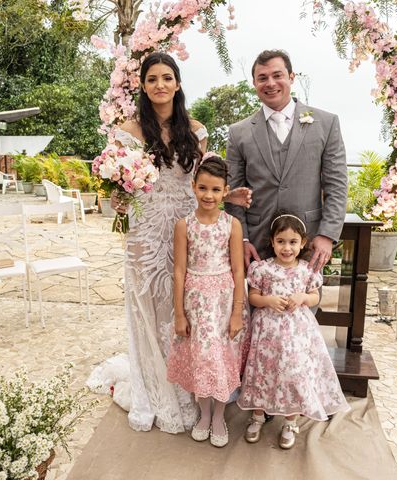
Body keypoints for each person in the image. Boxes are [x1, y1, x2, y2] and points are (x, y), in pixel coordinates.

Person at [110, 52, 251, 434]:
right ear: (143, 85)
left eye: (167, 77)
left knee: (187, 308)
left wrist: (228, 197)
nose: (160, 85)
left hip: (190, 227)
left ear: (178, 83)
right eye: (152, 78)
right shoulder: (129, 130)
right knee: (150, 310)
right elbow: (119, 186)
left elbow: (205, 180)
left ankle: (195, 387)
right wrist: (115, 195)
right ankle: (155, 392)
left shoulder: (197, 129)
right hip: (147, 230)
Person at [225, 49, 348, 272]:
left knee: (305, 305)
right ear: (254, 83)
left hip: (308, 241)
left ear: (291, 77)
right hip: (257, 242)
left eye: (277, 75)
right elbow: (234, 193)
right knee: (257, 305)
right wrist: (241, 239)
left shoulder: (326, 123)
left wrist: (327, 235)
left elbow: (336, 184)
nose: (270, 83)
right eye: (262, 78)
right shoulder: (238, 132)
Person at [237, 213, 350, 449]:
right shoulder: (262, 269)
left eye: (292, 242)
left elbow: (314, 296)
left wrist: (302, 297)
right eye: (281, 241)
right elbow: (254, 296)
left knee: (294, 373)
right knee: (263, 373)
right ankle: (258, 416)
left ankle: (290, 421)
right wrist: (268, 300)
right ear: (272, 241)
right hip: (267, 333)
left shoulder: (306, 270)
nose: (286, 248)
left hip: (296, 334)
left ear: (302, 243)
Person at [166, 154, 247, 448]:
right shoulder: (184, 225)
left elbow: (239, 269)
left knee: (221, 359)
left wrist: (237, 312)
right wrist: (179, 314)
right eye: (203, 188)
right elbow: (178, 270)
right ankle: (204, 414)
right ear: (193, 186)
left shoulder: (232, 225)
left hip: (224, 301)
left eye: (215, 189)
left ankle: (219, 416)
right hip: (196, 302)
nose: (208, 195)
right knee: (202, 358)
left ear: (226, 190)